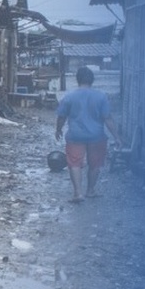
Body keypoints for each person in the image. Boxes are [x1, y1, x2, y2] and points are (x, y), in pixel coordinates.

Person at [55, 66, 123, 201]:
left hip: (75, 136)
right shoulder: (101, 97)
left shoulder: (69, 97)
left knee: (74, 163)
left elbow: (61, 116)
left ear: (77, 79)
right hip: (96, 136)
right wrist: (116, 137)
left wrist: (58, 129)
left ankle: (78, 193)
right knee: (95, 164)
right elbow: (107, 118)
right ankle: (90, 190)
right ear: (92, 80)